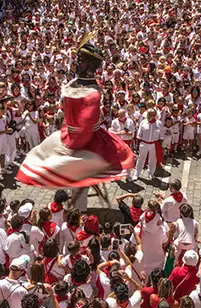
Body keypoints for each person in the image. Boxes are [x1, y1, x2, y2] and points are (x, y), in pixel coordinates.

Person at [16, 33, 135, 190]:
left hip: (82, 140)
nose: (76, 63)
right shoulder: (77, 83)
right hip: (70, 133)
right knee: (39, 157)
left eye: (80, 61)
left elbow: (85, 129)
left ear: (90, 66)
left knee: (52, 164)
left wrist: (69, 149)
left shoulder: (91, 94)